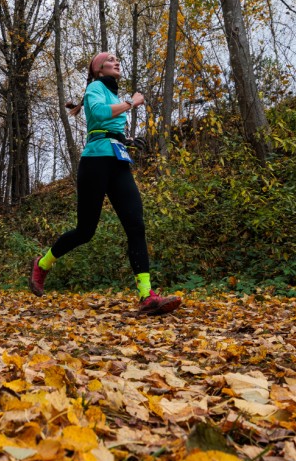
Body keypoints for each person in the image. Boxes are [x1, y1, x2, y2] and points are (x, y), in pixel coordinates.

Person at [28, 52, 181, 315]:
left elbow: (110, 128)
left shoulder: (109, 92)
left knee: (136, 225)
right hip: (96, 161)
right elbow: (99, 116)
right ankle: (43, 264)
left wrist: (127, 140)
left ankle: (147, 295)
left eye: (117, 59)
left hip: (118, 162)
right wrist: (131, 103)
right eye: (110, 60)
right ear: (98, 69)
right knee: (85, 231)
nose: (117, 61)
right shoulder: (95, 89)